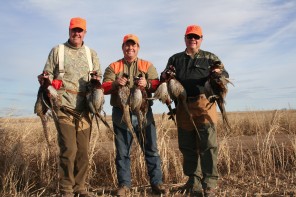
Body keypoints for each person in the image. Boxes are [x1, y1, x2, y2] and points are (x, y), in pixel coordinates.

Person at [163, 25, 229, 197]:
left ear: (201, 39)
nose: (193, 39)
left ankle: (210, 184)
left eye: (196, 37)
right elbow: (165, 76)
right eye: (190, 36)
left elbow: (225, 75)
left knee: (208, 144)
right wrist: (166, 75)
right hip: (183, 104)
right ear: (185, 38)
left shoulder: (210, 57)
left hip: (204, 103)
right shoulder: (175, 59)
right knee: (187, 146)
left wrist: (217, 73)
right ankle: (194, 181)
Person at [37, 17, 101, 197]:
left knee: (83, 152)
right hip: (62, 106)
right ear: (69, 31)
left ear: (85, 33)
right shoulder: (58, 51)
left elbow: (98, 77)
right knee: (69, 149)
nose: (77, 33)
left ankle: (79, 188)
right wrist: (45, 81)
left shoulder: (92, 54)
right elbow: (46, 74)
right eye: (74, 30)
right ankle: (66, 189)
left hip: (85, 108)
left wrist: (97, 81)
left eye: (80, 31)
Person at [102, 34, 169, 196]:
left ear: (138, 48)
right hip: (121, 115)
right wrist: (116, 83)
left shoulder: (147, 65)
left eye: (133, 46)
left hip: (144, 113)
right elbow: (103, 87)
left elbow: (157, 84)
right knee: (123, 153)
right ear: (123, 47)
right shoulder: (114, 66)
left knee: (151, 150)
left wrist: (148, 84)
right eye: (127, 45)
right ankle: (124, 186)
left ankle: (156, 183)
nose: (130, 48)